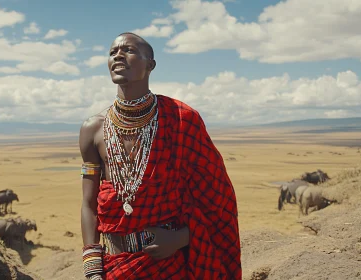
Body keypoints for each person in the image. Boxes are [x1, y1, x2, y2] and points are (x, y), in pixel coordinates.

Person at [79, 32, 241, 280]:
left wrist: (181, 237)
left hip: (168, 266)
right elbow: (89, 204)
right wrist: (92, 268)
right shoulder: (93, 129)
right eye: (113, 52)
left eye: (129, 50)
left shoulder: (181, 119)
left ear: (150, 65)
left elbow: (218, 202)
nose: (118, 55)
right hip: (114, 267)